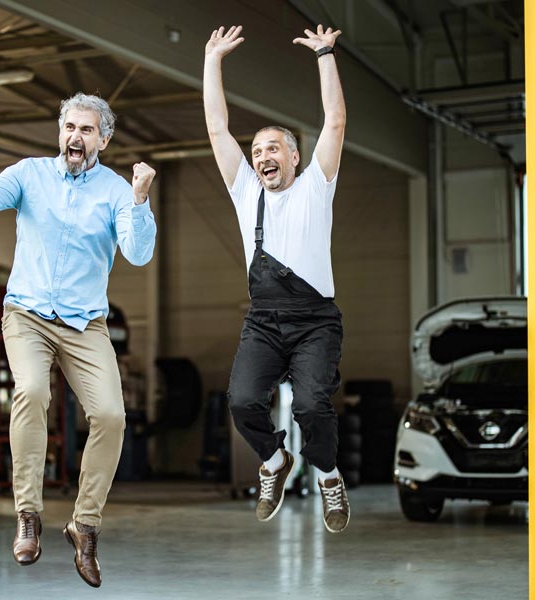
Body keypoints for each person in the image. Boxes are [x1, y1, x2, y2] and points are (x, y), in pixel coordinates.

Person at [0, 93, 157, 587]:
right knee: (32, 392)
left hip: (85, 321)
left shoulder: (114, 190)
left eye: (87, 131)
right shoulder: (29, 174)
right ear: (59, 131)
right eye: (70, 127)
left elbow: (137, 252)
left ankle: (84, 526)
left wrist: (139, 198)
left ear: (103, 141)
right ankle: (28, 515)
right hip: (27, 313)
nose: (75, 137)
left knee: (111, 415)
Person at [203, 24, 351, 533]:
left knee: (311, 405)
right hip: (264, 320)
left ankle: (329, 476)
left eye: (274, 148)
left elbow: (334, 121)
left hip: (315, 322)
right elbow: (218, 129)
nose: (263, 156)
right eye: (258, 150)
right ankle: (273, 463)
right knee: (242, 401)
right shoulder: (246, 192)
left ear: (293, 155)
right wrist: (212, 60)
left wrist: (326, 55)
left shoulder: (316, 186)